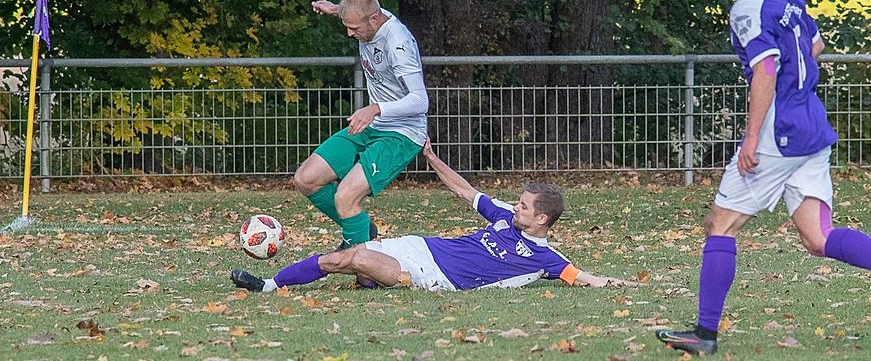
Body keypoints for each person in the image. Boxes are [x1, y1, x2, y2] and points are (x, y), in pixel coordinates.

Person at [655, 0, 871, 355]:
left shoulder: (748, 5)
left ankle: (704, 335)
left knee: (720, 225)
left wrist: (750, 139)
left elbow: (765, 70)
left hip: (778, 134)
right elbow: (815, 46)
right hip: (810, 126)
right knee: (817, 238)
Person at [231, 139, 638, 292]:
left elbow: (585, 278)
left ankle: (270, 285)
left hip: (432, 277)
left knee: (351, 257)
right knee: (349, 258)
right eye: (518, 201)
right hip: (421, 247)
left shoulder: (546, 258)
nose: (516, 206)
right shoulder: (502, 216)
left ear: (543, 220)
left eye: (524, 206)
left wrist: (627, 285)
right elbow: (464, 191)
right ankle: (271, 283)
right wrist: (430, 157)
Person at [295, 0, 428, 249]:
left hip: (401, 134)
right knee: (306, 179)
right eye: (347, 26)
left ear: (375, 20)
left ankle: (357, 258)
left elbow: (421, 100)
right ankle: (361, 229)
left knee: (345, 197)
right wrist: (335, 9)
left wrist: (376, 108)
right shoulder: (371, 15)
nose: (349, 33)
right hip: (372, 124)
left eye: (354, 28)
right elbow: (361, 7)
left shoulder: (397, 44)